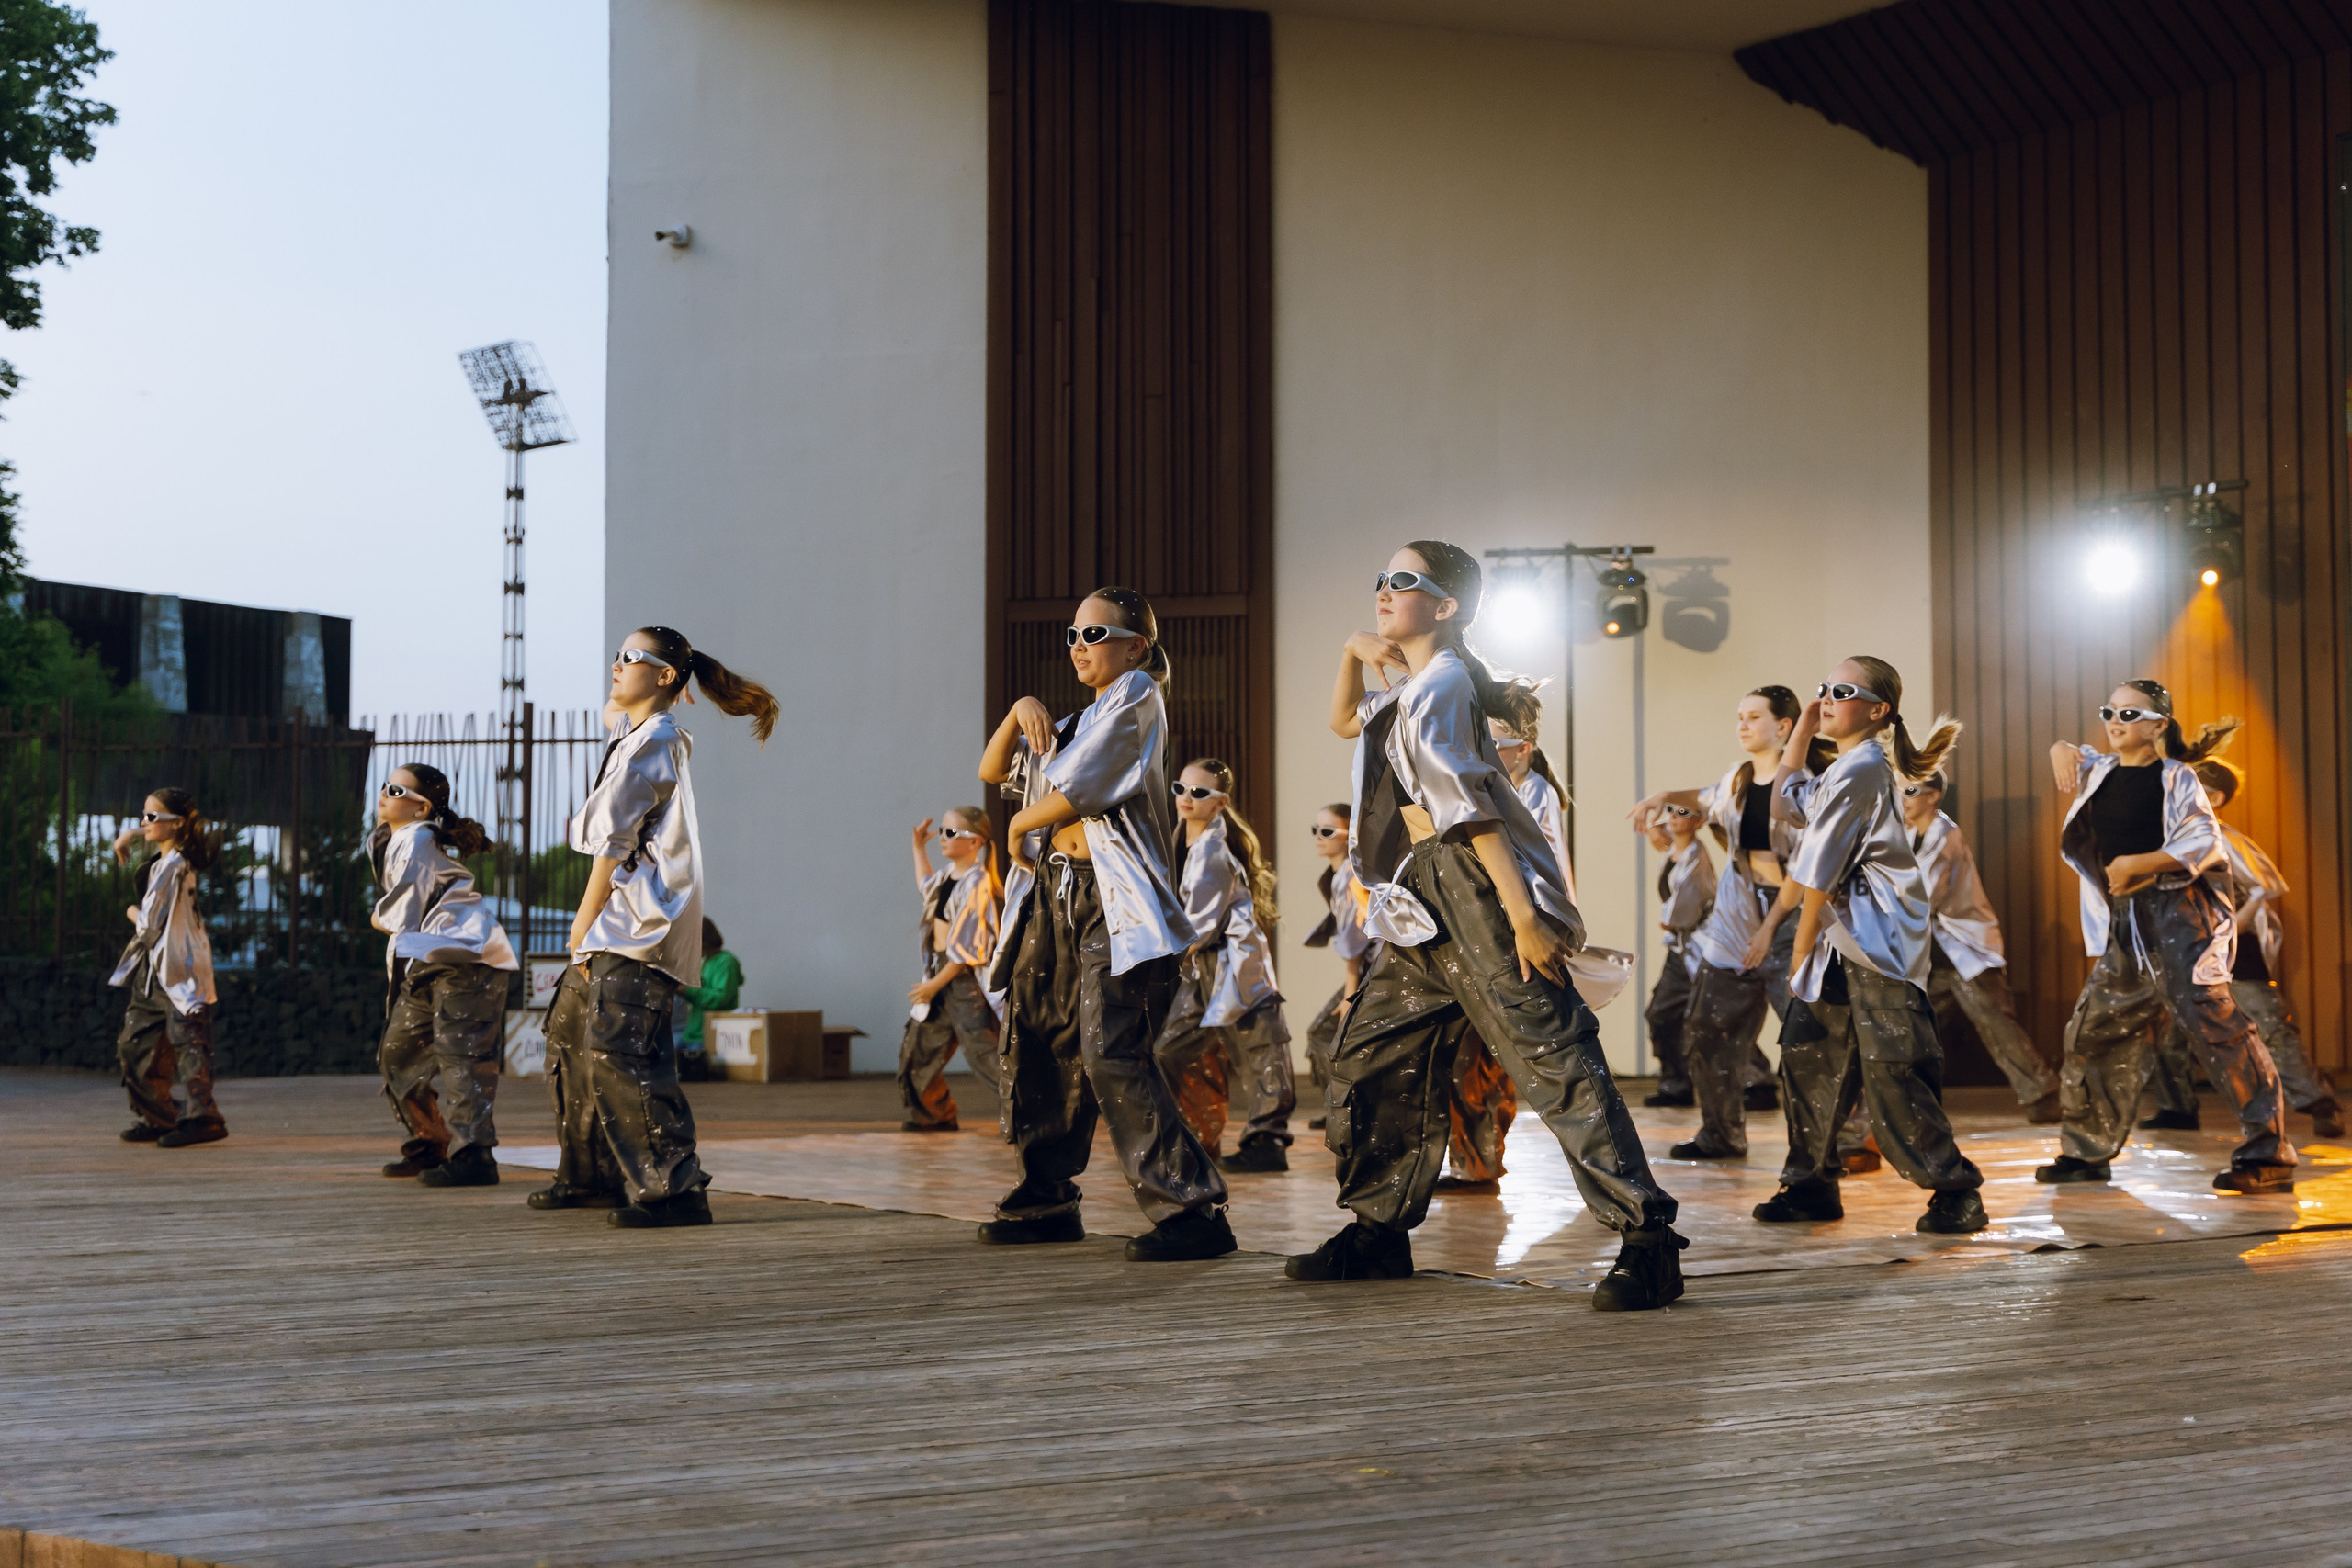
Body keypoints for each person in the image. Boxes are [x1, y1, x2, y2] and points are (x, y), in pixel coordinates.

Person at [1295, 540, 1685, 1311]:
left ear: (1446, 607)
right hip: (1419, 892)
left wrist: (1521, 918)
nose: (1384, 590)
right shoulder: (1411, 685)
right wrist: (1350, 647)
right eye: (1380, 578)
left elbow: (1468, 812)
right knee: (1373, 1056)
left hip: (1470, 884)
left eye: (1404, 582)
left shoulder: (1440, 685)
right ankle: (1377, 1228)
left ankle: (1649, 1239)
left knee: (1554, 1059)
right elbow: (1344, 719)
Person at [978, 586, 1235, 1262]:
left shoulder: (1137, 697)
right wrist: (1018, 709)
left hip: (1110, 901)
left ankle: (1192, 1206)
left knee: (1107, 1046)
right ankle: (1046, 1195)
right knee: (1038, 1035)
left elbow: (1079, 789)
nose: (1078, 647)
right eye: (1072, 635)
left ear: (1135, 647)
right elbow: (993, 769)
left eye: (1094, 635)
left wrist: (1021, 824)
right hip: (1054, 894)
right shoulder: (1079, 717)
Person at [531, 626, 779, 1229]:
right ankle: (590, 1174)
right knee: (568, 1037)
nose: (615, 665)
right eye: (615, 655)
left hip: (635, 924)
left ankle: (673, 1189)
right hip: (619, 924)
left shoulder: (657, 740)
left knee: (624, 1053)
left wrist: (582, 920)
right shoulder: (635, 730)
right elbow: (615, 703)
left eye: (629, 657)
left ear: (665, 676)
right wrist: (673, 677)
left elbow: (611, 845)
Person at [1746, 659, 1986, 1233]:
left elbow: (1815, 878)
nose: (1826, 697)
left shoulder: (1863, 770)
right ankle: (1809, 1186)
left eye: (1841, 692)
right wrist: (1803, 727)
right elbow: (1785, 803)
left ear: (1877, 710)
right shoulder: (1844, 767)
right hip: (1841, 943)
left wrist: (1798, 954)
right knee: (1807, 1059)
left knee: (1895, 1071)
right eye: (1822, 688)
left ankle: (1956, 1191)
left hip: (1875, 947)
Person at [2036, 681, 2294, 1194]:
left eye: (2129, 714)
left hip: (2181, 914)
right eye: (2109, 710)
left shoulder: (2177, 778)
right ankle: (2087, 1151)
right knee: (2096, 1028)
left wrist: (2140, 864)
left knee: (2215, 1027)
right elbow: (2072, 750)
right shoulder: (2103, 770)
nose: (2115, 721)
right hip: (2127, 917)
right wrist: (2058, 749)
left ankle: (2269, 1155)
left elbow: (2202, 838)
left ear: (2158, 725)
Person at [1627, 687, 1823, 1156]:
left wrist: (1771, 927)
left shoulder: (1805, 787)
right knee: (1705, 1026)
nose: (1743, 725)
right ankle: (1721, 1133)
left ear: (1783, 727)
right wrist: (1662, 798)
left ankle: (1825, 1147)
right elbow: (1700, 800)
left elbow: (1807, 868)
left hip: (1791, 917)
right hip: (1737, 917)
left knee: (1806, 1039)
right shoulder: (1736, 779)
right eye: (1739, 716)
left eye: (1754, 717)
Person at [2139, 760, 2342, 1139]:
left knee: (2270, 1028)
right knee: (2169, 1029)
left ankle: (2319, 1103)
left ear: (2212, 798)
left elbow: (2263, 888)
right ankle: (2176, 1106)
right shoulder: (2172, 838)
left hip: (2232, 948)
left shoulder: (2223, 837)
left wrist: (2232, 926)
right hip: (2184, 947)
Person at [369, 764, 518, 1186]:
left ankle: (475, 1155)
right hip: (431, 956)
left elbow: (402, 912)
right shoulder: (396, 838)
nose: (383, 793)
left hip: (465, 958)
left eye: (394, 789)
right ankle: (430, 1140)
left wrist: (378, 918)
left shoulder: (417, 841)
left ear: (421, 809)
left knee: (462, 1055)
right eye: (385, 785)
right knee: (398, 1054)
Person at [1156, 757, 1296, 1172]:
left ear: (1220, 802)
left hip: (1231, 961)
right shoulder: (1181, 839)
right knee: (1170, 1049)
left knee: (1259, 1049)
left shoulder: (1213, 851)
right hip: (1204, 963)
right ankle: (1197, 1134)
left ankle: (1267, 1142)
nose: (1185, 798)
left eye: (1198, 792)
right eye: (1179, 789)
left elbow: (1196, 927)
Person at [1899, 771, 2061, 1123]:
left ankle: (2043, 1095)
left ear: (1933, 795)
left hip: (1963, 948)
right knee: (1912, 1025)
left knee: (1995, 1023)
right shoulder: (1910, 834)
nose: (1902, 797)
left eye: (1910, 790)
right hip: (1934, 952)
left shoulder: (1944, 835)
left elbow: (1924, 898)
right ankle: (1903, 1101)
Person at [107, 788, 223, 1147]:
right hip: (156, 968)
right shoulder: (170, 860)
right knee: (134, 1044)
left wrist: (130, 910)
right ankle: (161, 1117)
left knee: (188, 1044)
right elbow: (162, 828)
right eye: (142, 816)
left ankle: (204, 1119)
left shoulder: (172, 867)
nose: (144, 822)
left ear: (176, 824)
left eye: (151, 817)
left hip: (177, 967)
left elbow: (147, 925)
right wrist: (132, 834)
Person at [896, 810, 1004, 1134]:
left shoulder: (978, 882)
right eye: (943, 831)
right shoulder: (947, 877)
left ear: (975, 842)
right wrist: (918, 848)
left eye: (951, 832)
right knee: (917, 1051)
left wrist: (934, 986)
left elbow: (966, 949)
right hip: (940, 973)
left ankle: (1029, 1118)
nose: (943, 837)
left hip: (961, 979)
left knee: (983, 1052)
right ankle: (932, 1115)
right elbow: (926, 887)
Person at [1642, 803, 1717, 1111]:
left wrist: (1670, 919)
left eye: (1682, 813)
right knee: (1662, 1013)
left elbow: (1682, 913)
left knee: (1712, 1016)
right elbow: (1656, 821)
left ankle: (1757, 1081)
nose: (1673, 817)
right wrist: (1651, 825)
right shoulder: (1674, 852)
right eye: (1670, 811)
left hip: (1700, 949)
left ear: (1699, 821)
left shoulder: (1697, 858)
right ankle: (1676, 1084)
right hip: (1681, 949)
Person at [1300, 800, 1368, 1130]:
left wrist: (1349, 995)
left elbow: (1355, 944)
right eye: (1315, 830)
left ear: (1348, 836)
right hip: (1369, 968)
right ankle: (1340, 1109)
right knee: (1326, 1034)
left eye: (1327, 831)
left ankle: (1346, 1111)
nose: (1318, 837)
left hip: (1372, 969)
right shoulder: (1337, 876)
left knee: (1327, 1033)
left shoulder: (1350, 877)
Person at [677, 917, 742, 1083]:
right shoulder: (706, 962)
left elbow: (721, 999)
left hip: (710, 1037)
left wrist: (688, 991)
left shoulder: (726, 962)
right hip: (692, 1033)